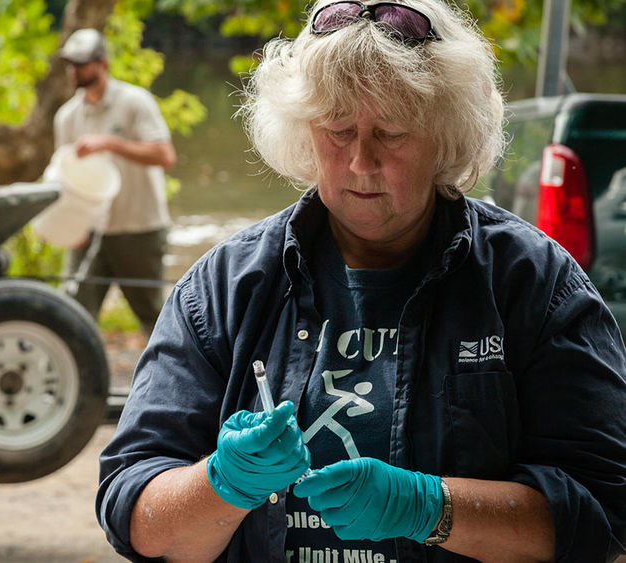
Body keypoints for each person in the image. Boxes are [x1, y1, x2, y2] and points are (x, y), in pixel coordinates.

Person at [96, 0, 626, 561]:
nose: (360, 162)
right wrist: (224, 483)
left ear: (445, 136)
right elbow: (134, 512)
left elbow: (606, 513)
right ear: (304, 132)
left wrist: (431, 508)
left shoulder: (532, 282)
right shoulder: (224, 287)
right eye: (338, 130)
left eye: (392, 133)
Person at [53, 28, 176, 335]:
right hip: (90, 231)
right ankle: (79, 380)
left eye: (81, 63)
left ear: (102, 64)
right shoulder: (66, 117)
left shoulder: (135, 102)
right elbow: (65, 179)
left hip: (139, 228)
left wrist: (109, 143)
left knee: (153, 316)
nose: (74, 70)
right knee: (73, 316)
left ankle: (166, 381)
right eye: (70, 63)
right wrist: (71, 226)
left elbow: (164, 155)